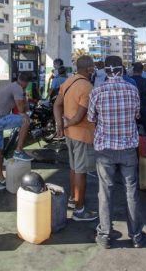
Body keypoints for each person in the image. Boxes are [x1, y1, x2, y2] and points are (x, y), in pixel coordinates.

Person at [87, 55, 146, 249]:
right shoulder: (132, 89)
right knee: (131, 192)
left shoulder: (97, 91)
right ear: (122, 69)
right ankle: (136, 236)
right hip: (129, 148)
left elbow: (91, 118)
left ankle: (104, 235)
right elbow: (137, 114)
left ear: (105, 70)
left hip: (105, 149)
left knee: (105, 192)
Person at [54, 55, 97, 221]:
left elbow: (57, 105)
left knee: (73, 168)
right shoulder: (87, 87)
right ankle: (79, 211)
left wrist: (60, 124)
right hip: (82, 135)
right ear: (90, 69)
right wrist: (67, 124)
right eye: (92, 68)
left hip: (70, 135)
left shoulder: (68, 82)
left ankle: (73, 198)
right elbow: (80, 117)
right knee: (81, 171)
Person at [0, 72, 34, 189]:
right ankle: (18, 150)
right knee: (25, 120)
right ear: (26, 83)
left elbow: (23, 107)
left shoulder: (12, 86)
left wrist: (24, 100)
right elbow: (21, 109)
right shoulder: (18, 88)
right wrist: (25, 105)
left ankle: (1, 180)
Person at [131, 62, 146, 135]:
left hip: (132, 108)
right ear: (142, 71)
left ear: (133, 70)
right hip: (145, 107)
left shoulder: (128, 81)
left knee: (133, 129)